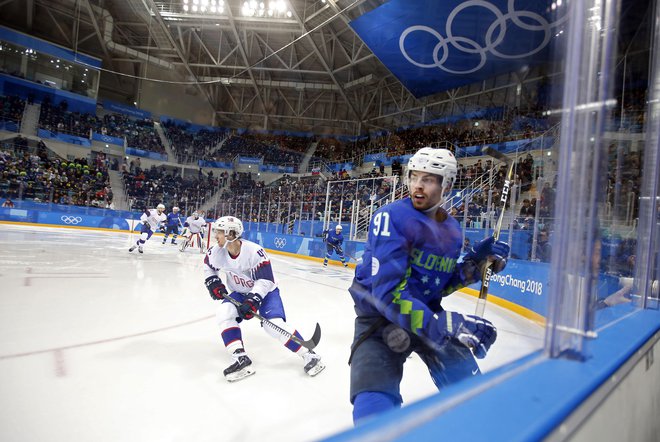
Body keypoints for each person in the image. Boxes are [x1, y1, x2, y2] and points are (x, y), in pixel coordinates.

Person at [347, 147, 509, 423]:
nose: (418, 186)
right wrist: (445, 324)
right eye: (414, 176)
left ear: (447, 184)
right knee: (373, 410)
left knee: (474, 399)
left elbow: (437, 285)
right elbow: (387, 297)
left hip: (424, 313)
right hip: (379, 322)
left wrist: (475, 267)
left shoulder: (453, 231)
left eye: (429, 179)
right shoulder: (391, 218)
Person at [203, 216, 325, 381]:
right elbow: (208, 266)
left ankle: (309, 355)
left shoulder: (254, 251)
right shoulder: (216, 251)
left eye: (219, 232)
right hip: (240, 291)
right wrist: (213, 281)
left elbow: (266, 280)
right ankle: (240, 357)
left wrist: (253, 300)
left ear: (231, 234)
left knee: (273, 325)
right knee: (224, 313)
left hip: (266, 292)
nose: (216, 235)